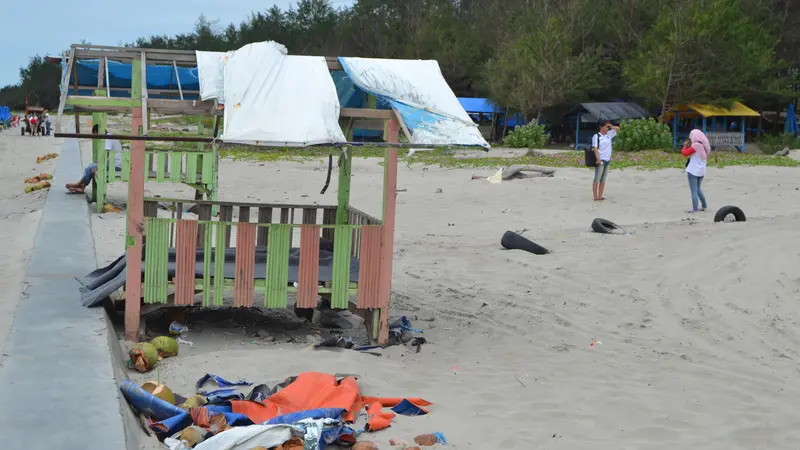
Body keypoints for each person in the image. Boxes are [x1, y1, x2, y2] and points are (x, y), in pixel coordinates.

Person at [66, 125, 123, 193]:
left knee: (91, 167)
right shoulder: (109, 136)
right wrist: (100, 162)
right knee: (92, 165)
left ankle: (79, 185)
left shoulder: (108, 137)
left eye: (95, 135)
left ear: (97, 132)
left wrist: (101, 164)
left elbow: (107, 152)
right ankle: (81, 186)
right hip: (115, 163)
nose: (96, 137)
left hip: (115, 165)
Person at [681, 129, 711, 213]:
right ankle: (704, 206)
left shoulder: (695, 146)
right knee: (698, 189)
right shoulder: (706, 147)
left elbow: (684, 153)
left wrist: (684, 146)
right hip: (701, 171)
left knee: (693, 190)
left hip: (693, 171)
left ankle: (695, 209)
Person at [591, 120, 620, 201]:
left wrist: (612, 126)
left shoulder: (609, 134)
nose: (607, 128)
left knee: (603, 179)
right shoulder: (596, 136)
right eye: (606, 127)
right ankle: (595, 196)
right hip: (601, 160)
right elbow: (595, 148)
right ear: (601, 127)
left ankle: (600, 196)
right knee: (597, 178)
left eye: (608, 127)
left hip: (608, 159)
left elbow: (618, 129)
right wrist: (598, 159)